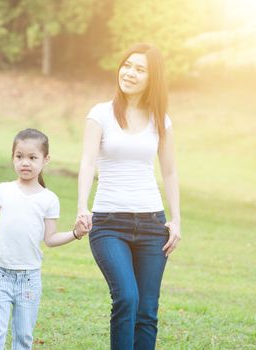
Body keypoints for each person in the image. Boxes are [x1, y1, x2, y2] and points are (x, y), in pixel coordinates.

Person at [0, 128, 88, 350]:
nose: (25, 163)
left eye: (32, 157)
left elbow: (50, 239)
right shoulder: (3, 190)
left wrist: (76, 233)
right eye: (19, 156)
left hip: (29, 279)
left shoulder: (49, 199)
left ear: (45, 159)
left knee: (23, 339)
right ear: (13, 157)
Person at [77, 43, 181, 350]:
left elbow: (170, 172)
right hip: (109, 223)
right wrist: (82, 206)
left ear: (153, 78)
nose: (130, 73)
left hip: (152, 225)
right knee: (126, 297)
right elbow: (87, 161)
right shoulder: (100, 114)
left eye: (140, 69)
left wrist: (176, 220)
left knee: (146, 311)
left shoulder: (161, 120)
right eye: (127, 65)